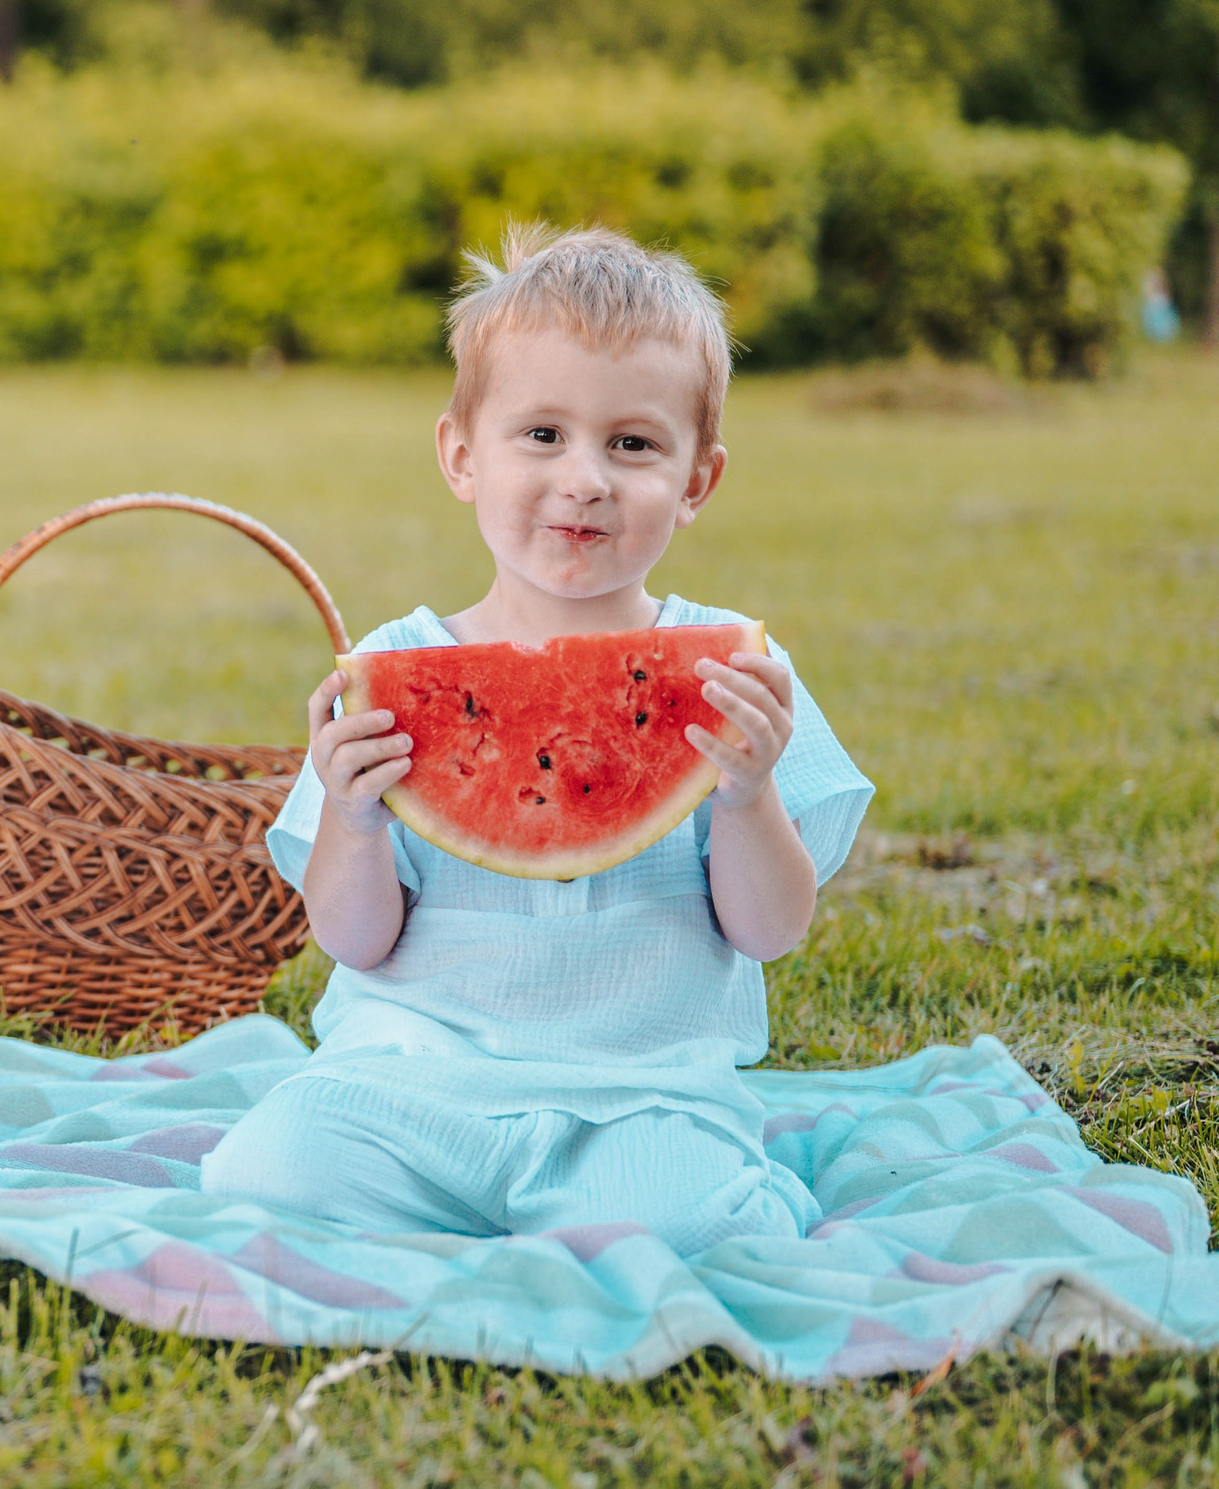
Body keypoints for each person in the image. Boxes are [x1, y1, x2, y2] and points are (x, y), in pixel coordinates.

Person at [201, 225, 874, 1254]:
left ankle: (631, 1206)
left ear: (698, 481)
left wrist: (747, 796)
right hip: (408, 1082)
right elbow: (353, 938)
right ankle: (511, 1220)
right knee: (269, 1172)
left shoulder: (734, 681)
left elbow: (769, 930)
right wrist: (352, 818)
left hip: (640, 1096)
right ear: (462, 457)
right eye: (542, 436)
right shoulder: (391, 666)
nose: (586, 479)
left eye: (633, 444)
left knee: (687, 1223)